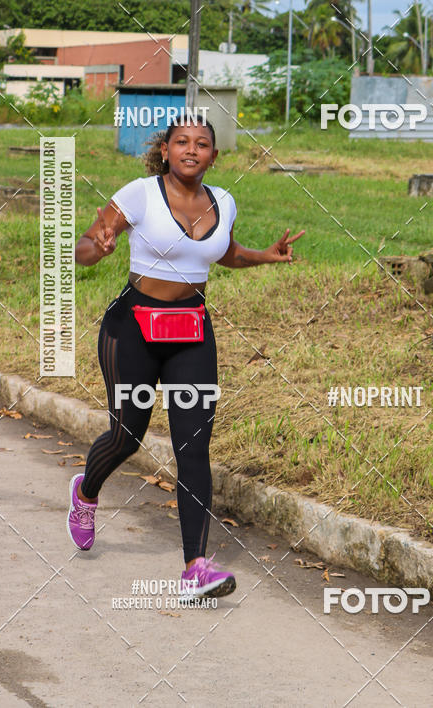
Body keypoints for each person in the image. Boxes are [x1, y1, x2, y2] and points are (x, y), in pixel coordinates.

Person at [70, 115, 304, 598]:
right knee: (126, 436)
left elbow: (223, 253)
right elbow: (87, 246)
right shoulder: (138, 193)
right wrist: (99, 245)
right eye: (182, 142)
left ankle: (196, 565)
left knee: (193, 446)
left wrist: (265, 255)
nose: (192, 149)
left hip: (192, 331)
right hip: (131, 327)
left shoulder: (224, 201)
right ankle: (87, 491)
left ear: (214, 156)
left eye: (202, 144)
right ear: (165, 152)